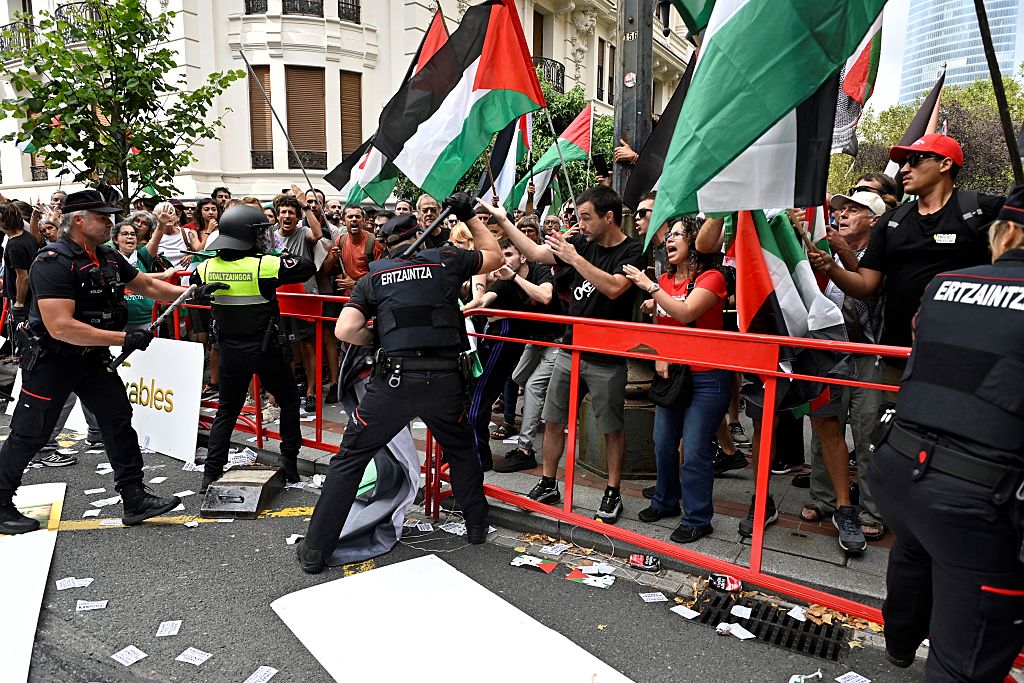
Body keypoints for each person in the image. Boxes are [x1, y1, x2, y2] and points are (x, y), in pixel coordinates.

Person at [296, 193, 502, 573]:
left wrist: (385, 338)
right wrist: (469, 215)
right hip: (444, 382)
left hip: (392, 382)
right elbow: (495, 256)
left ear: (386, 244)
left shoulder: (373, 275)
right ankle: (476, 528)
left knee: (350, 460)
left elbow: (345, 329)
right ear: (420, 232)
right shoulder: (448, 259)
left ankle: (315, 550)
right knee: (461, 451)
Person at [868, 187, 1024, 679]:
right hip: (978, 496)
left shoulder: (944, 283)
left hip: (901, 468)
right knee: (967, 657)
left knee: (915, 551)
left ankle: (899, 643)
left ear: (1006, 234)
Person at [0, 189, 207, 534]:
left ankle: (134, 498)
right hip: (52, 362)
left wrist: (194, 292)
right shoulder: (52, 261)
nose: (111, 222)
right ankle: (1, 502)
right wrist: (124, 338)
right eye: (103, 217)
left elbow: (147, 286)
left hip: (91, 359)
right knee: (29, 434)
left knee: (117, 420)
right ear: (79, 221)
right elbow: (60, 326)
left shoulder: (107, 257)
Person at [483, 185, 646, 523]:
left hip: (606, 354)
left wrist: (575, 258)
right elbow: (537, 252)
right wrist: (503, 220)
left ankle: (613, 491)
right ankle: (548, 481)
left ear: (609, 217)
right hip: (570, 347)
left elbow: (614, 288)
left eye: (587, 217)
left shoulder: (632, 250)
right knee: (553, 419)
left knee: (611, 427)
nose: (581, 225)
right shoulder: (583, 243)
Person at [809, 134, 1004, 392]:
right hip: (899, 354)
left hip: (964, 354)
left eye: (914, 160)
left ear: (945, 164)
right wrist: (830, 267)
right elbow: (866, 284)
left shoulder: (980, 209)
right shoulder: (892, 221)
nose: (904, 169)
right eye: (904, 162)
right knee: (897, 427)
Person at [194, 205, 316, 494]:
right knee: (287, 400)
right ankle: (289, 464)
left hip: (230, 351)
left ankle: (210, 475)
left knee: (227, 409)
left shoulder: (206, 267)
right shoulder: (264, 265)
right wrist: (275, 253)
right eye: (260, 234)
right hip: (265, 349)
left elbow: (194, 284)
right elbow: (306, 266)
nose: (265, 238)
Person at [623, 221, 731, 543]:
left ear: (696, 242)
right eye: (669, 236)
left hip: (707, 377)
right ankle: (665, 501)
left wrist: (650, 289)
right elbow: (663, 326)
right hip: (672, 378)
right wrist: (659, 355)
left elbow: (684, 313)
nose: (669, 239)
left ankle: (698, 517)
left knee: (696, 450)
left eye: (677, 234)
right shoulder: (665, 279)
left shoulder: (713, 278)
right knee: (663, 441)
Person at [804, 191, 887, 541]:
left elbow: (866, 288)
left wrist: (838, 253)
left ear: (875, 220)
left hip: (867, 353)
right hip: (829, 351)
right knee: (826, 427)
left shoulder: (880, 254)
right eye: (842, 209)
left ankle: (872, 509)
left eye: (856, 210)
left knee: (868, 434)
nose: (844, 214)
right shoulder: (825, 249)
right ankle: (823, 498)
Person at [463, 238, 558, 471]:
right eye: (501, 255)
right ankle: (476, 448)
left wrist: (514, 277)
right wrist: (464, 310)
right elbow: (485, 299)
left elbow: (545, 296)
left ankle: (524, 450)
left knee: (533, 387)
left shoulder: (539, 270)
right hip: (532, 342)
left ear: (523, 257)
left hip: (558, 341)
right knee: (513, 380)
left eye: (508, 255)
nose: (502, 261)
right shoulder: (504, 281)